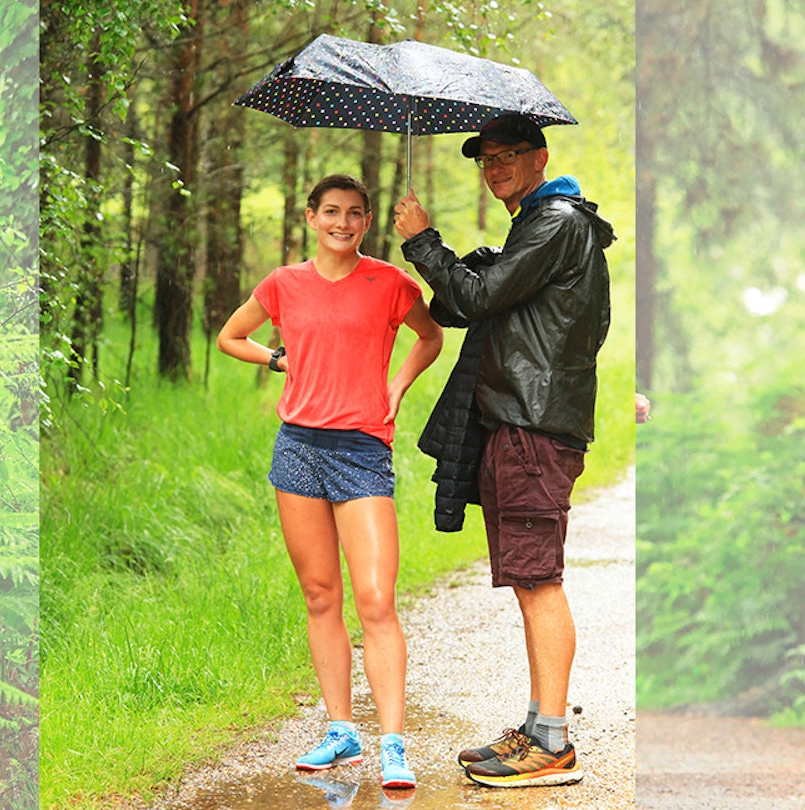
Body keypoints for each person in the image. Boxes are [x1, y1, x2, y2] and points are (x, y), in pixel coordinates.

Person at [393, 113, 613, 788]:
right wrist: (451, 260)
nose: (494, 168)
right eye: (485, 160)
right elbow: (467, 306)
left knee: (538, 578)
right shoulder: (536, 226)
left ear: (540, 156)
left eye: (508, 155)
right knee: (527, 575)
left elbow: (478, 295)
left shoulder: (556, 223)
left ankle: (552, 742)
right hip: (519, 423)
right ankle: (537, 725)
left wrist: (424, 240)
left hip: (532, 426)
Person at [217, 173, 444, 790]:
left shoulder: (391, 283)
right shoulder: (283, 284)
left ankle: (393, 744)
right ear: (311, 217)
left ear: (367, 222)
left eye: (355, 214)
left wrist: (397, 386)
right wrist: (276, 358)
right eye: (332, 212)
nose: (343, 223)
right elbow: (230, 336)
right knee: (320, 595)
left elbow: (432, 337)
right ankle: (341, 730)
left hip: (362, 451)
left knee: (375, 600)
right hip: (298, 449)